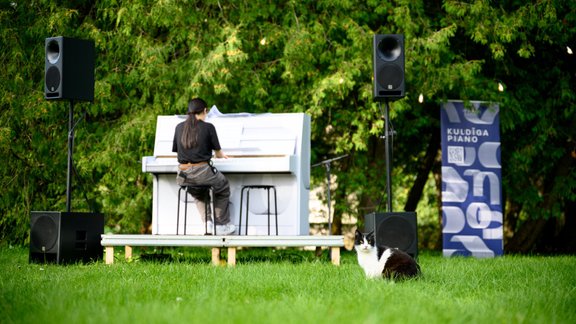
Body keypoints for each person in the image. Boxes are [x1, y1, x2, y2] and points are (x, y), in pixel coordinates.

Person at [172, 98, 236, 235]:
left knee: (198, 191)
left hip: (183, 175)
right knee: (222, 186)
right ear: (205, 111)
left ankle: (207, 223)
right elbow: (218, 154)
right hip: (202, 172)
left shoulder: (179, 127)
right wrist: (222, 155)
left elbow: (179, 152)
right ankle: (221, 224)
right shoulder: (208, 127)